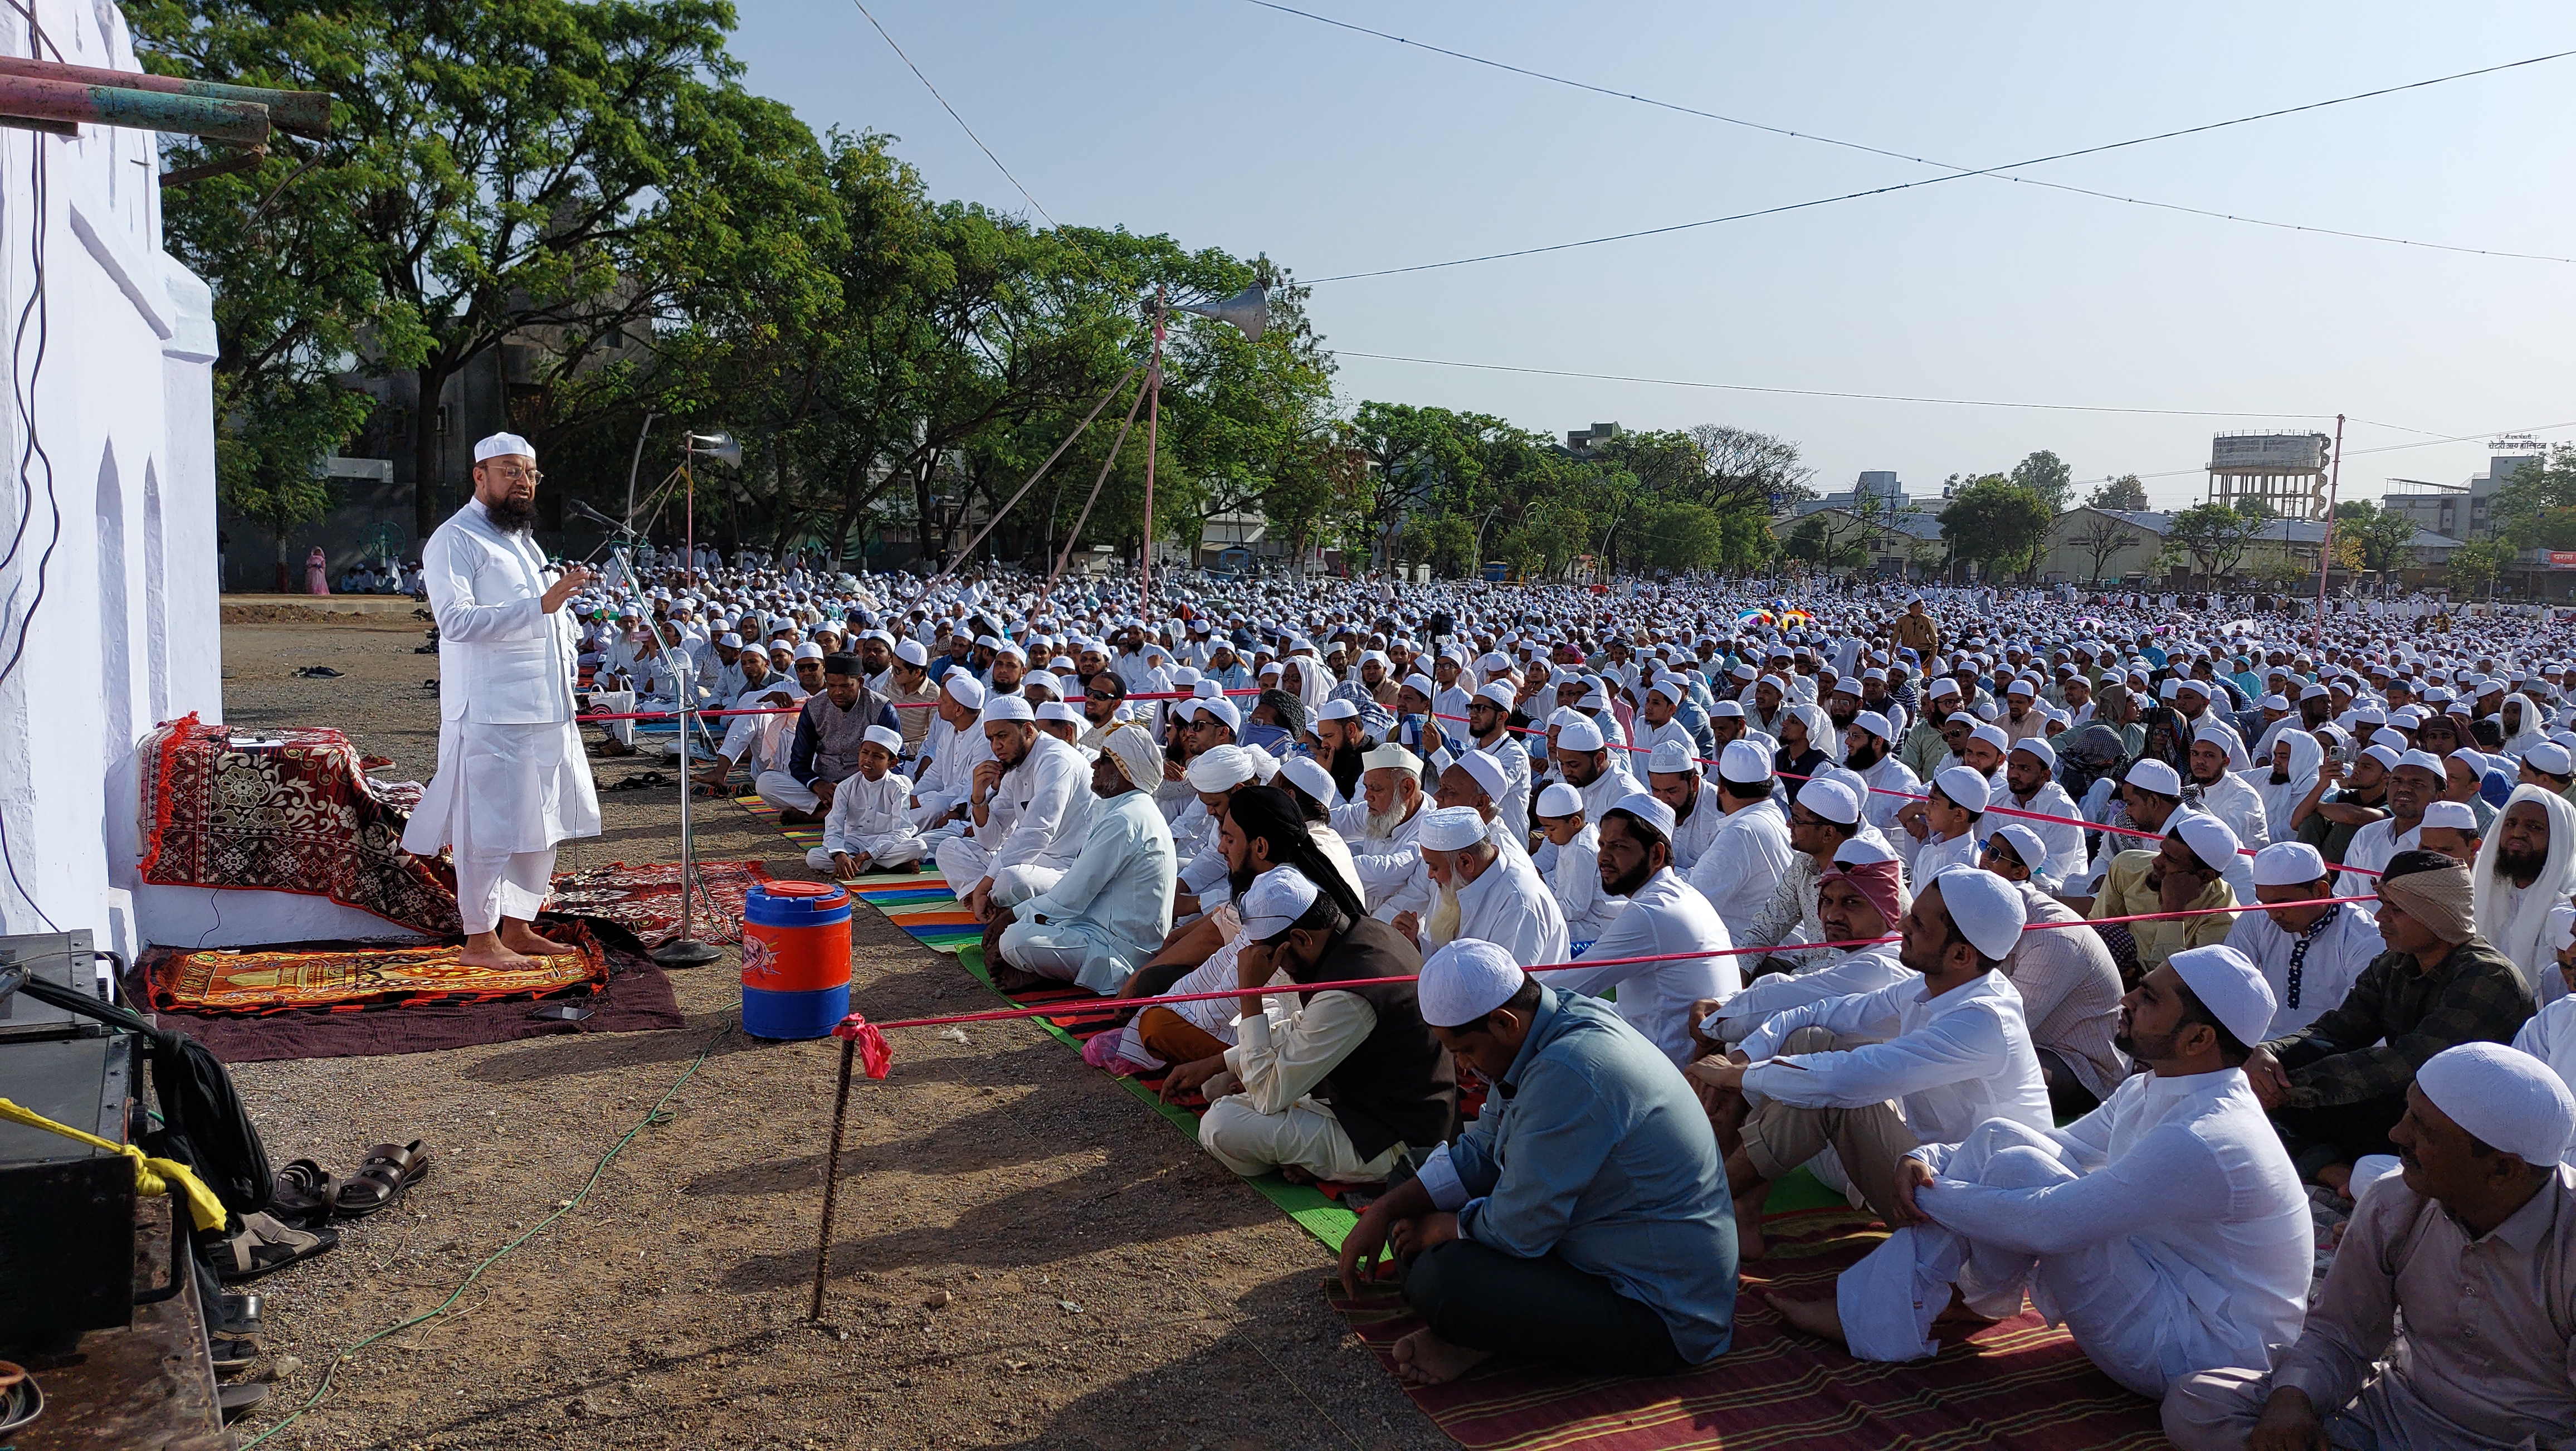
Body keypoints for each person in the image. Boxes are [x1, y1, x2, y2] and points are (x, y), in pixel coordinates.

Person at [1775, 946, 2310, 1401]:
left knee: (2020, 1173)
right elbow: (2063, 1145)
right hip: (2168, 1290)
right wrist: (1932, 1160)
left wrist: (1930, 1194)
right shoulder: (2157, 1086)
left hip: (2203, 1352)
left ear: (2198, 1041)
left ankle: (1908, 1308)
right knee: (2003, 1140)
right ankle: (1930, 1303)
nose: (2126, 1001)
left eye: (2147, 999)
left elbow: (2054, 1224)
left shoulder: (2207, 1134)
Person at [1336, 941, 1737, 1384]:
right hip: (1585, 1241)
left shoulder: (1570, 1068)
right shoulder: (1546, 1023)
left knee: (1441, 1279)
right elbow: (1486, 1148)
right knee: (1410, 1179)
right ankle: (1484, 1327)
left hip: (1660, 1311)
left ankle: (1476, 1335)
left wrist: (1443, 1228)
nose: (1462, 1066)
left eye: (1464, 1049)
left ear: (1504, 1022)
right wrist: (1386, 1209)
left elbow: (1519, 1228)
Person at [2162, 1041, 2576, 1451]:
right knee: (2197, 1403)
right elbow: (2339, 1335)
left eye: (2423, 1130)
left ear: (2503, 1170)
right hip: (2396, 1413)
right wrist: (2292, 1399)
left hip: (2529, 1442)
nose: (2397, 1134)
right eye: (2408, 1113)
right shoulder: (2395, 1201)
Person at [1696, 866, 2051, 1260]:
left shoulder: (1982, 1020)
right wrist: (1745, 1057)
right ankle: (1730, 1205)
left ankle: (1697, 1206)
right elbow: (1821, 1012)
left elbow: (1849, 1078)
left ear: (1961, 955)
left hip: (1976, 1217)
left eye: (1917, 922)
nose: (1901, 923)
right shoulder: (1935, 983)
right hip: (1926, 1170)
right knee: (1809, 1043)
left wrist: (1738, 1075)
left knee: (1832, 1091)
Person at [402, 433, 601, 971]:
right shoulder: (455, 539)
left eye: (531, 473)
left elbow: (546, 617)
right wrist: (542, 603)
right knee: (486, 828)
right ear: (480, 475)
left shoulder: (524, 541)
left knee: (544, 824)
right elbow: (457, 622)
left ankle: (520, 925)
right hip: (490, 711)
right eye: (511, 471)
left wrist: (563, 609)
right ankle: (479, 939)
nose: (524, 482)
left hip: (548, 709)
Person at [2247, 850, 2537, 1192]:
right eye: (2383, 904)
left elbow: (2410, 1065)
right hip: (2405, 1102)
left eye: (2396, 909)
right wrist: (2269, 1056)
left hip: (2465, 1123)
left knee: (2279, 1105)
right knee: (2251, 1099)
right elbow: (2336, 1032)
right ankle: (2334, 1172)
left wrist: (2286, 1088)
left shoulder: (2488, 978)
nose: (2380, 917)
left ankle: (2339, 1171)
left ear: (2436, 914)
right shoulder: (2394, 963)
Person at [1169, 867, 1456, 1186]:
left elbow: (1267, 1096)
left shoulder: (1349, 991)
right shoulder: (1361, 931)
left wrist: (1249, 993)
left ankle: (1338, 1167)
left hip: (1393, 1139)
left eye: (1268, 955)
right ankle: (1309, 1153)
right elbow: (1303, 1026)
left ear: (1301, 939)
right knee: (1217, 1084)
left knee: (1221, 1126)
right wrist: (1215, 1063)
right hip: (1363, 1100)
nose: (1259, 963)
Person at [1550, 793, 1737, 1065]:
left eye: (1619, 846)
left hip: (1665, 1066)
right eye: (1602, 845)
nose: (1603, 857)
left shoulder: (1652, 911)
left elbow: (1570, 985)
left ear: (1656, 854)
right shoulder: (1683, 895)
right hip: (1677, 1050)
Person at [989, 724, 1177, 995]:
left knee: (1015, 941)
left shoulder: (1126, 819)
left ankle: (1049, 971)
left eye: (1105, 760)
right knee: (1030, 922)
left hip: (1121, 951)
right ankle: (1044, 969)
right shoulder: (1126, 809)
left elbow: (1072, 897)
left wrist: (1012, 917)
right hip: (1098, 926)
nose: (1094, 765)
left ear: (1124, 770)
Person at [1696, 837, 1911, 1047]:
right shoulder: (1866, 954)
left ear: (1886, 910)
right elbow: (1793, 985)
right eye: (1827, 901)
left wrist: (1713, 1022)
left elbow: (1789, 999)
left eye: (1851, 903)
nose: (1833, 915)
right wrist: (1725, 1003)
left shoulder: (1880, 966)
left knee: (1802, 1038)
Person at [1982, 825, 2128, 1117]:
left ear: (2021, 873)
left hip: (2082, 1067)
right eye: (1986, 847)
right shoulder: (1989, 910)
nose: (1984, 858)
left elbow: (2009, 1028)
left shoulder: (2054, 936)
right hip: (2036, 1042)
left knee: (1987, 1073)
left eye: (1995, 855)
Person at [938, 693, 1089, 922]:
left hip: (1068, 869)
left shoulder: (1056, 759)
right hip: (1031, 862)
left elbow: (1037, 833)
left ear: (1028, 730)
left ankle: (989, 899)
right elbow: (991, 841)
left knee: (1011, 880)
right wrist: (978, 796)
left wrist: (986, 882)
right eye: (991, 739)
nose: (996, 746)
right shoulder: (1015, 764)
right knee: (949, 848)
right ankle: (997, 905)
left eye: (1002, 736)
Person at [2221, 840, 2380, 1041]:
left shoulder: (2362, 935)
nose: (2273, 915)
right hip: (2261, 1047)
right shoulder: (2256, 918)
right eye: (2265, 903)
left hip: (2333, 1049)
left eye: (2282, 904)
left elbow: (2356, 1020)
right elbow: (2230, 985)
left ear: (2321, 892)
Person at [2088, 811, 2242, 987]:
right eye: (2162, 850)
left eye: (2170, 859)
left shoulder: (2221, 915)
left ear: (2205, 876)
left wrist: (2173, 910)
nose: (2156, 861)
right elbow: (2099, 934)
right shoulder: (2128, 867)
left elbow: (2173, 984)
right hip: (2113, 975)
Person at [1410, 805, 1568, 965]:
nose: (1430, 875)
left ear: (1466, 862)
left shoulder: (1518, 903)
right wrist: (1415, 946)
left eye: (1434, 867)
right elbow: (1449, 957)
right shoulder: (1458, 880)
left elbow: (1503, 984)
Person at [758, 652, 900, 825]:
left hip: (864, 786)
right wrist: (818, 785)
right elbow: (798, 762)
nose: (838, 692)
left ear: (861, 683)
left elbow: (894, 761)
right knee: (766, 783)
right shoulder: (814, 708)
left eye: (846, 686)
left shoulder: (881, 709)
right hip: (825, 786)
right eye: (832, 686)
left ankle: (818, 815)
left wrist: (861, 786)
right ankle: (832, 811)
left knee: (897, 788)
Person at [2470, 784, 2576, 1005]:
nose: (2517, 833)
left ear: (2559, 839)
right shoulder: (2486, 890)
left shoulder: (2570, 903)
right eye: (2510, 823)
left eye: (2534, 827)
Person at [1687, 739, 1797, 943]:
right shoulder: (1773, 814)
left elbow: (1691, 904)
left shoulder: (1741, 832)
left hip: (1764, 957)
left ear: (1721, 786)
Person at [811, 725, 923, 877]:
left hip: (885, 844)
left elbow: (902, 831)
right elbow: (833, 825)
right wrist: (839, 854)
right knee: (813, 857)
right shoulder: (846, 787)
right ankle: (884, 868)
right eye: (865, 753)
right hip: (852, 843)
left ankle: (858, 866)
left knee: (919, 847)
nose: (868, 760)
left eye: (877, 756)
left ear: (892, 763)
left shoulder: (898, 788)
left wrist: (866, 855)